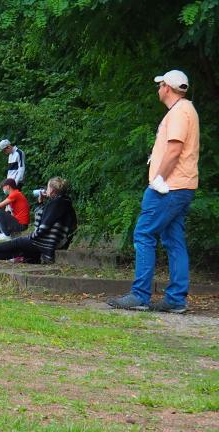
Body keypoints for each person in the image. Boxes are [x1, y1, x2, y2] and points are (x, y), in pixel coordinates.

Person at [107, 70, 199, 314]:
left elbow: (174, 149)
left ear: (167, 87)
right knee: (173, 240)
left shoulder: (179, 112)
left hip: (169, 187)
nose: (158, 89)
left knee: (144, 234)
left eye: (160, 85)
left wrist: (158, 179)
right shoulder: (186, 110)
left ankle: (140, 295)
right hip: (182, 186)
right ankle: (176, 299)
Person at [0, 177, 76, 264]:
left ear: (52, 190)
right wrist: (41, 203)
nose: (45, 190)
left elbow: (42, 227)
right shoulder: (63, 202)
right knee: (21, 251)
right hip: (55, 241)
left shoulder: (56, 204)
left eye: (47, 187)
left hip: (49, 242)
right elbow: (42, 222)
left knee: (18, 242)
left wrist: (31, 237)